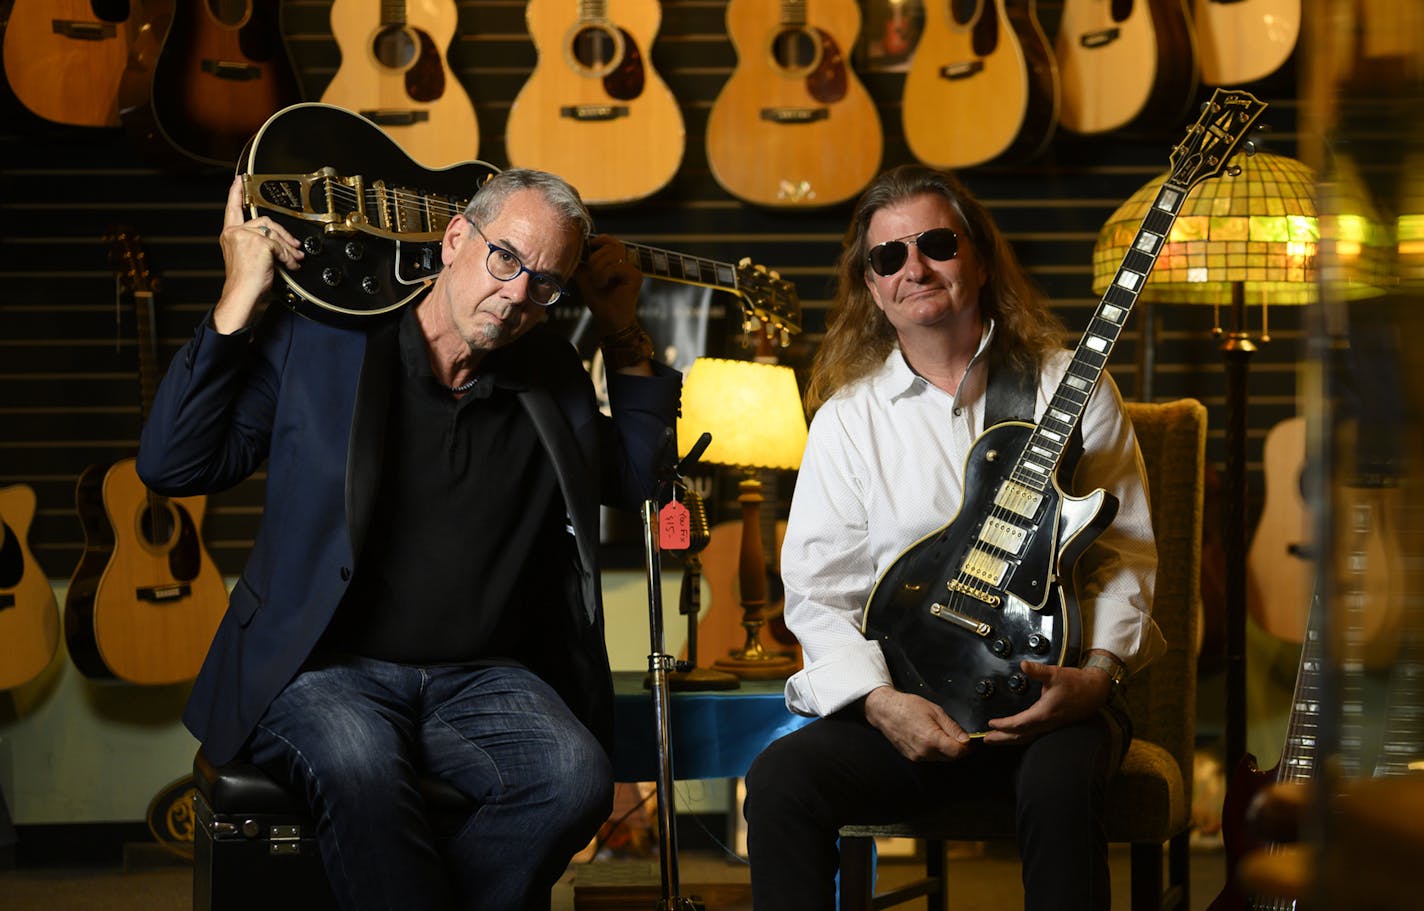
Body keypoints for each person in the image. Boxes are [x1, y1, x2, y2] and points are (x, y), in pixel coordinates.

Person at [136, 168, 681, 911]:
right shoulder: (328, 340)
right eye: (506, 259)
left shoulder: (547, 370)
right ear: (456, 238)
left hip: (480, 676)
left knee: (576, 775)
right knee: (360, 765)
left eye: (547, 284)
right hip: (320, 668)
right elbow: (174, 463)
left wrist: (621, 330)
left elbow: (641, 478)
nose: (520, 294)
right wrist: (239, 297)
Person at [743, 164, 1165, 911]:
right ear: (871, 287)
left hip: (1051, 704)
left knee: (1059, 789)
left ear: (978, 257)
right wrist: (878, 701)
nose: (915, 268)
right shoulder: (849, 419)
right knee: (780, 780)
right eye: (889, 256)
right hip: (909, 703)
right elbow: (819, 591)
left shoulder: (1068, 385)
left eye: (936, 243)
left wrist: (1097, 675)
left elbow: (1123, 555)